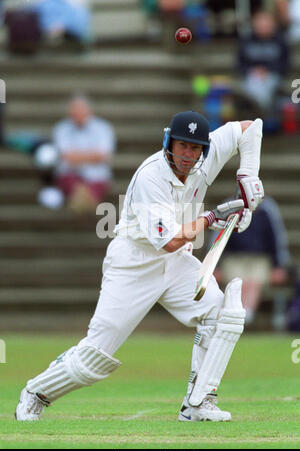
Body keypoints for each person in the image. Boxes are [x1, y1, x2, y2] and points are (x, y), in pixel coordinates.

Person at [15, 111, 264, 422]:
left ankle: (198, 402)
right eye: (182, 145)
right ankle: (35, 393)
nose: (187, 155)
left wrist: (248, 177)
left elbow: (250, 128)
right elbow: (172, 239)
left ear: (204, 149)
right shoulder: (151, 176)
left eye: (194, 148)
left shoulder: (207, 154)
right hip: (133, 264)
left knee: (220, 312)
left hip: (175, 264)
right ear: (168, 141)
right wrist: (215, 217)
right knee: (94, 358)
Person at [212, 196, 290, 324]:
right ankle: (239, 317)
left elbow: (276, 241)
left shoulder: (267, 211)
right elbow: (219, 238)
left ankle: (244, 317)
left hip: (259, 260)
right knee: (239, 284)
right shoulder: (229, 208)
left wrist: (279, 265)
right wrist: (215, 266)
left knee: (253, 283)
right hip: (234, 259)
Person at [52, 95, 116, 213]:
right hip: (71, 176)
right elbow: (65, 155)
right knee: (70, 183)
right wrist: (91, 156)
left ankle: (81, 199)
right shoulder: (61, 128)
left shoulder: (103, 128)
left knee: (92, 187)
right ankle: (84, 199)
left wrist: (76, 156)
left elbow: (103, 155)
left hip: (96, 177)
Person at [237, 10, 289, 112]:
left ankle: (258, 109)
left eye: (266, 23)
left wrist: (267, 71)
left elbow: (285, 63)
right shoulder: (246, 40)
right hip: (251, 76)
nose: (263, 26)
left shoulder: (280, 41)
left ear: (273, 24)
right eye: (260, 23)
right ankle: (261, 110)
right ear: (254, 24)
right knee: (253, 85)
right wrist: (253, 71)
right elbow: (240, 64)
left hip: (273, 76)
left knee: (266, 87)